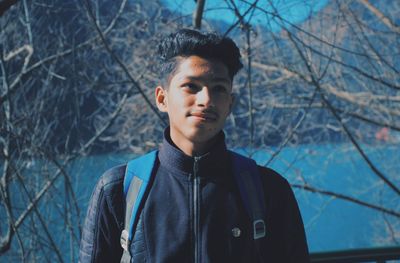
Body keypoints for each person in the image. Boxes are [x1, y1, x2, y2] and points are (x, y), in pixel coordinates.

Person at [78, 29, 309, 263]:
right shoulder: (119, 190)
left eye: (218, 88)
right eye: (191, 86)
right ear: (162, 98)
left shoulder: (268, 190)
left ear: (230, 103)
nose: (206, 100)